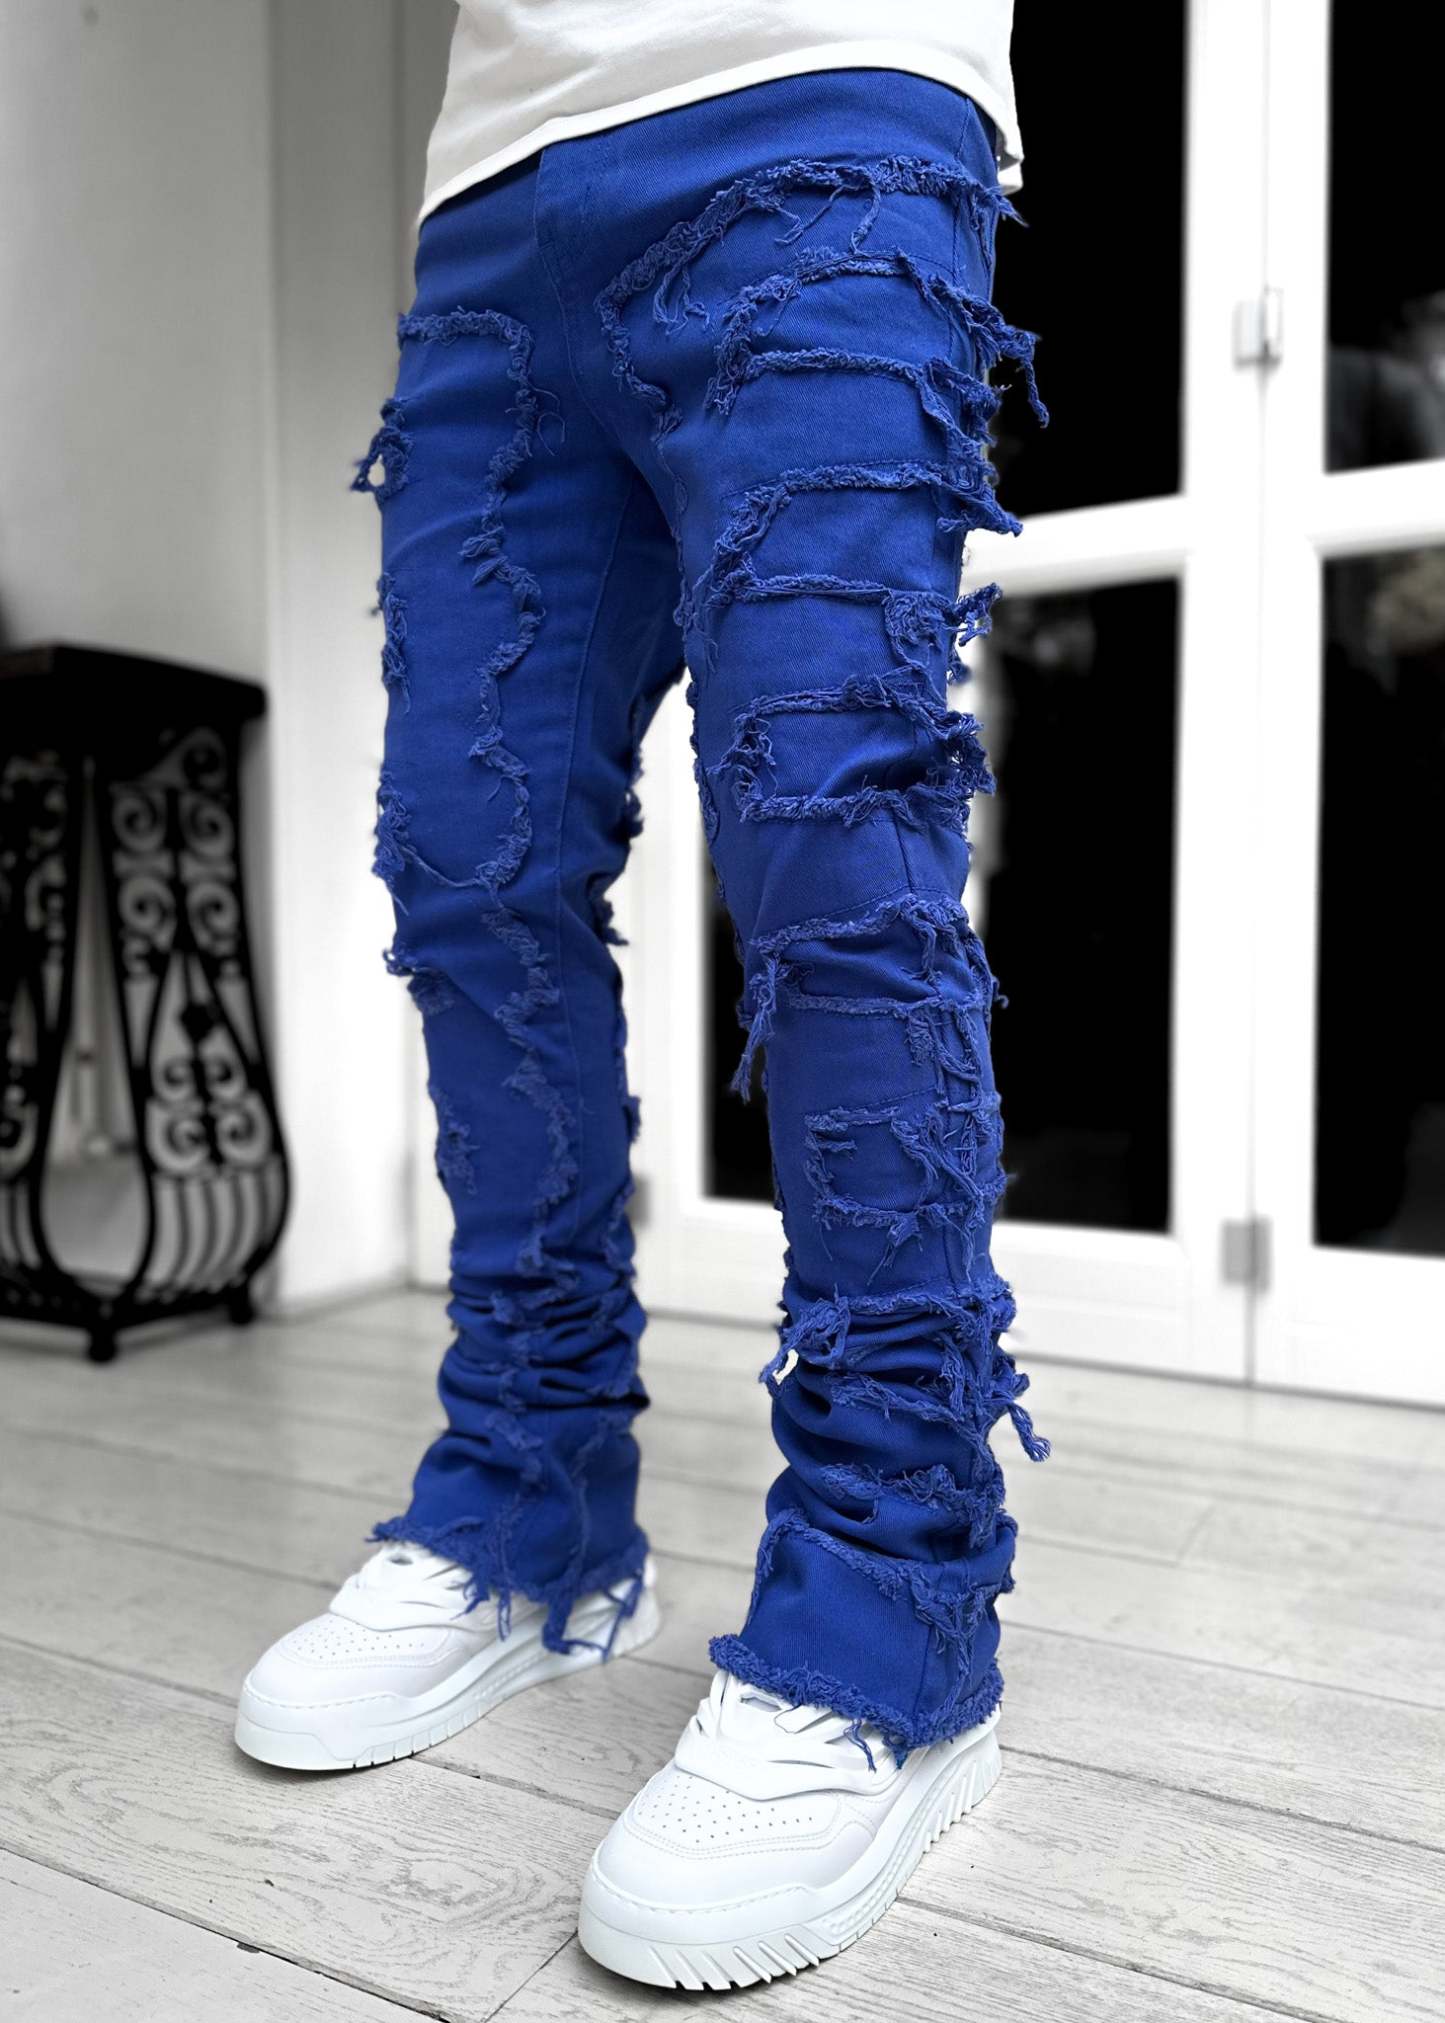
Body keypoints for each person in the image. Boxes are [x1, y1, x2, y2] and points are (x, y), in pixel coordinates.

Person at [234, 1, 1049, 1990]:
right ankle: (534, 1507)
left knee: (831, 843)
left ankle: (897, 1595)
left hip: (822, 98)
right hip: (493, 194)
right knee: (470, 862)